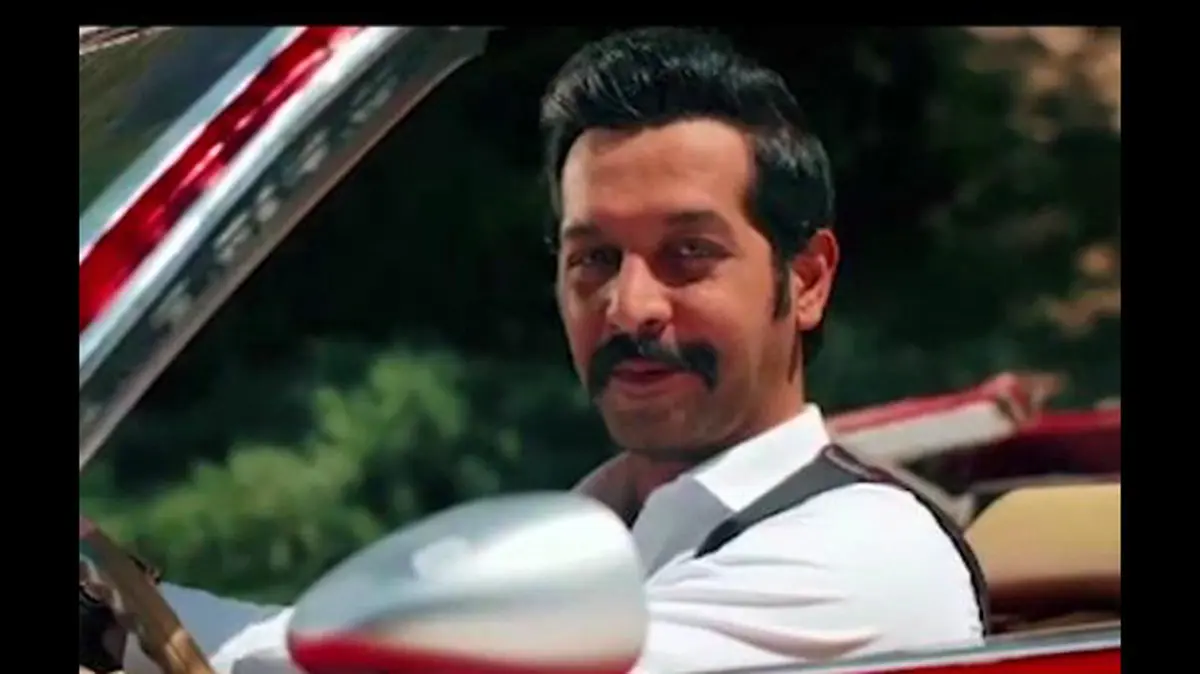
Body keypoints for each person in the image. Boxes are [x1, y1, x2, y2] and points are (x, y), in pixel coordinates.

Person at [86, 27, 987, 674]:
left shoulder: (864, 556)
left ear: (809, 279)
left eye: (689, 255)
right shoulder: (596, 531)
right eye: (593, 258)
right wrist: (111, 604)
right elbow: (310, 650)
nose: (630, 306)